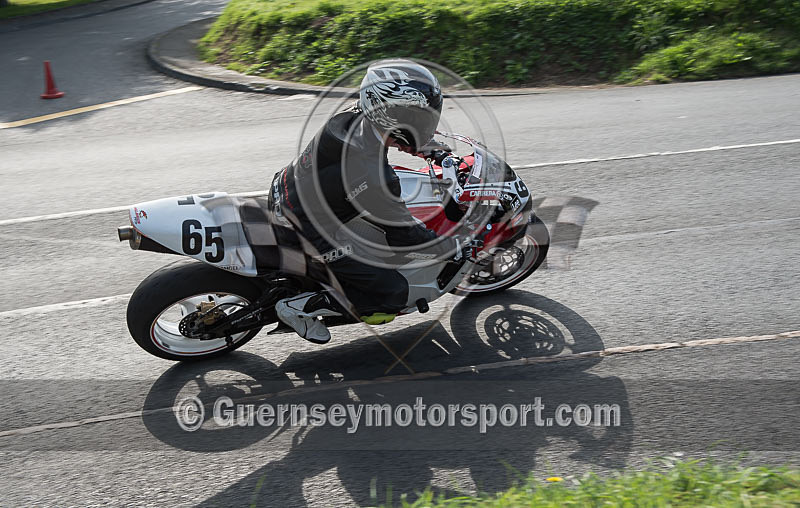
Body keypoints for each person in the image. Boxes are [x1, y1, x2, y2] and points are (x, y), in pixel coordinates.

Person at [270, 59, 461, 344]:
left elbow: (394, 137)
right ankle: (297, 308)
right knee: (392, 293)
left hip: (286, 188)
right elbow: (404, 236)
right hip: (307, 229)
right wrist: (450, 247)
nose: (425, 122)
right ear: (390, 112)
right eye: (417, 116)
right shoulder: (374, 177)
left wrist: (426, 147)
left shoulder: (355, 116)